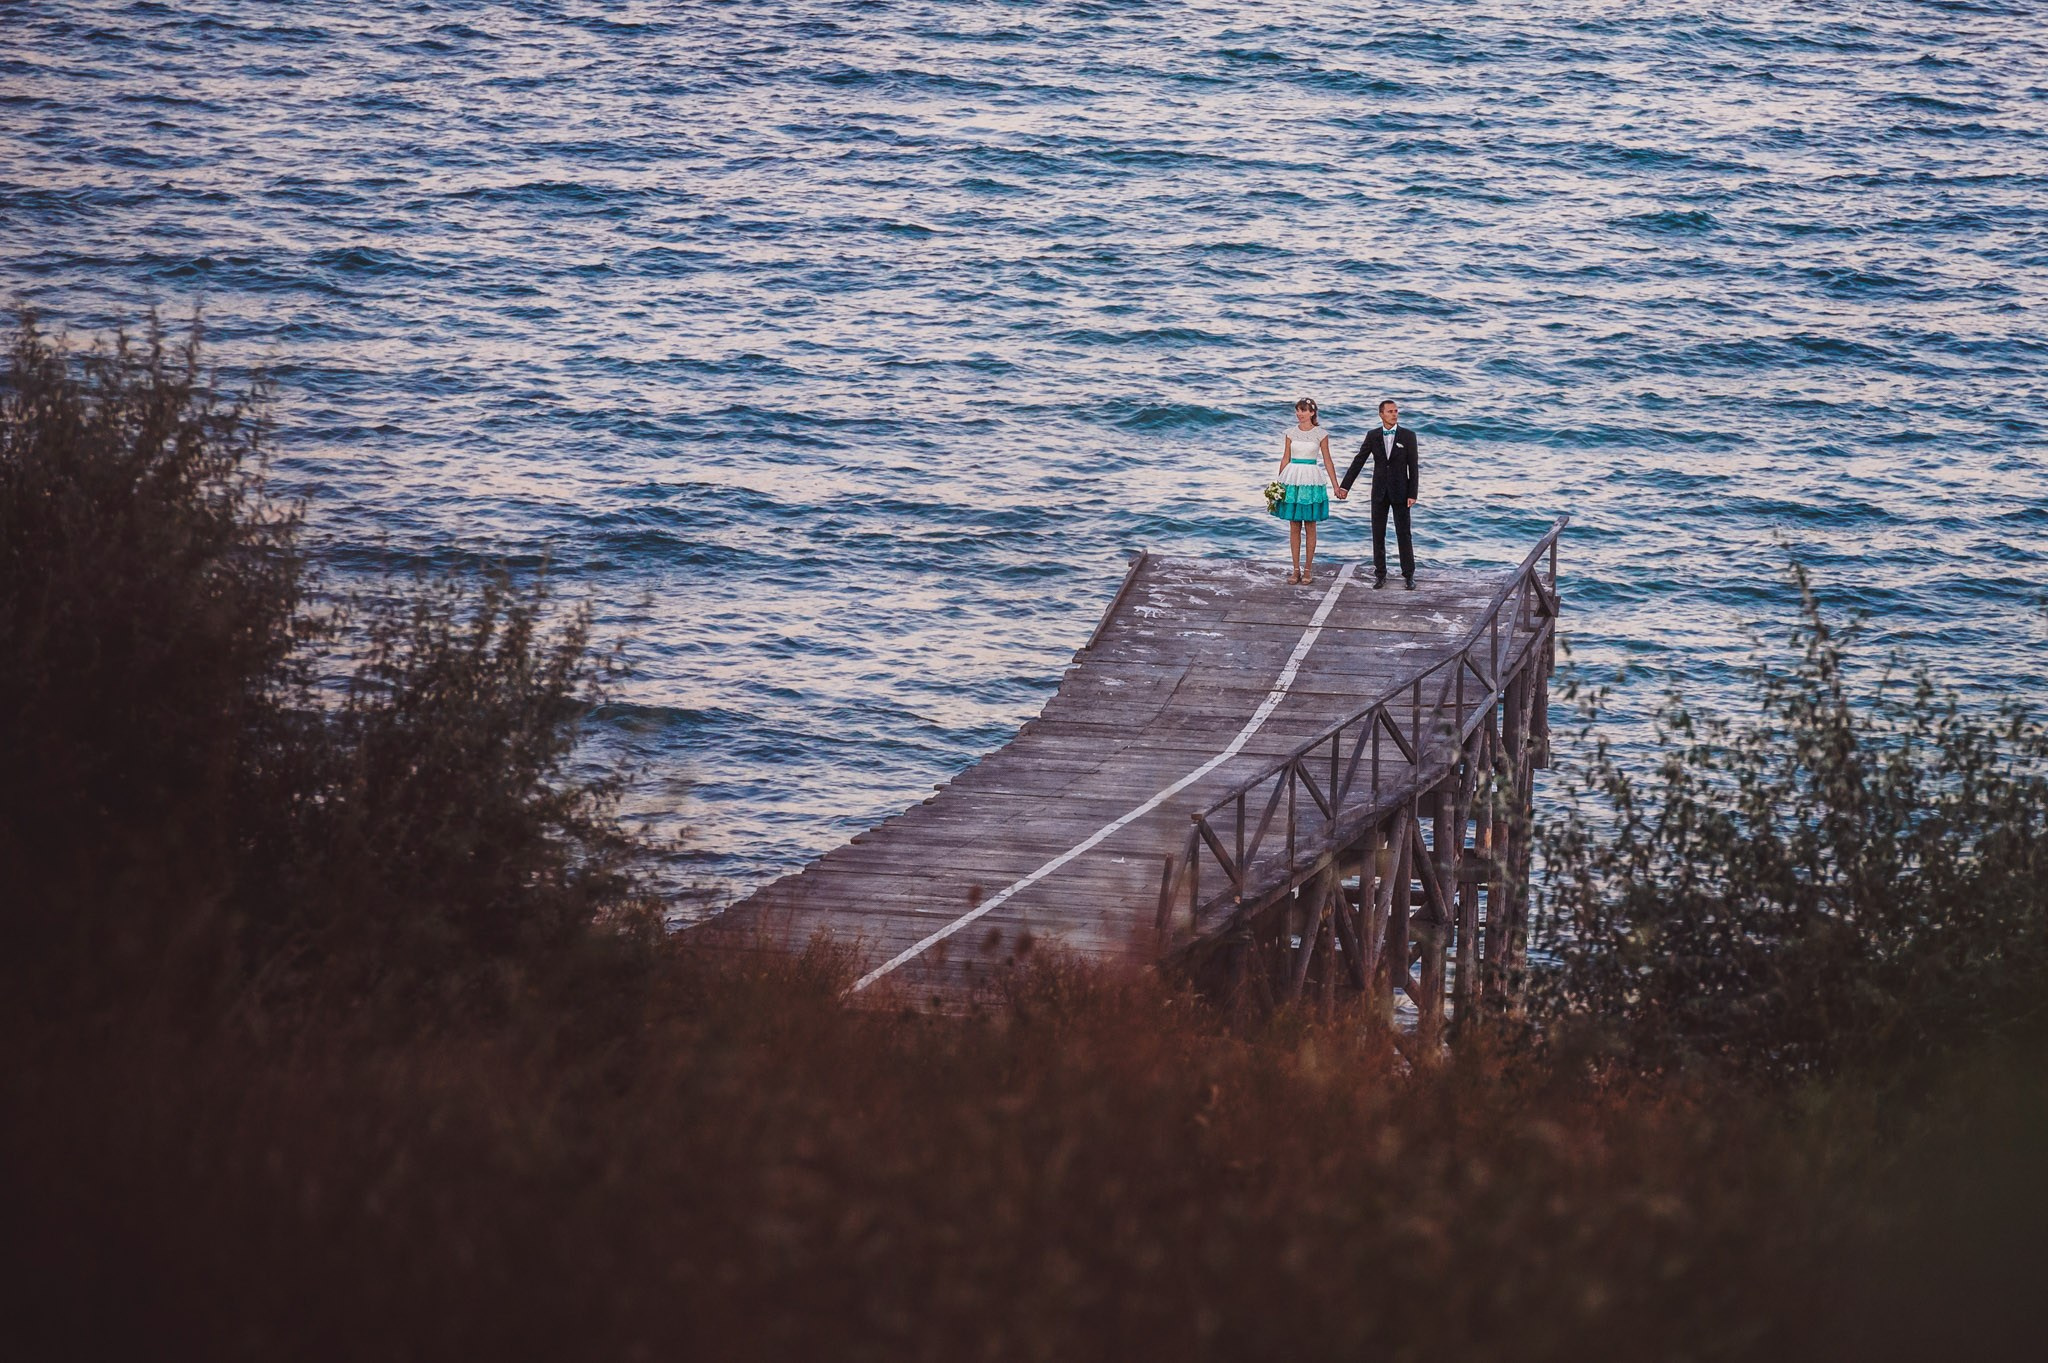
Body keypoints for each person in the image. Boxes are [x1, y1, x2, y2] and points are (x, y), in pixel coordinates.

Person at [1337, 398, 1419, 589]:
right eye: (1390, 411)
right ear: (1381, 414)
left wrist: (1412, 493)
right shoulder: (1373, 435)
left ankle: (1409, 575)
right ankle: (1380, 574)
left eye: (1396, 411)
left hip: (1401, 492)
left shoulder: (1408, 436)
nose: (1394, 414)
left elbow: (1413, 467)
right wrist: (1345, 487)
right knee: (1378, 533)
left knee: (1404, 534)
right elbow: (1359, 461)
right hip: (1379, 492)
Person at [1272, 397, 1341, 584]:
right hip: (1292, 478)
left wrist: (1336, 486)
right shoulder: (1290, 433)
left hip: (1311, 478)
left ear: (1312, 412)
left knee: (1310, 525)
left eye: (1303, 410)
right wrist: (1277, 486)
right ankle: (1295, 570)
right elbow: (1285, 458)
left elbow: (1327, 460)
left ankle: (1308, 569)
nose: (1299, 414)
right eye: (1297, 410)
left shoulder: (1321, 434)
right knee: (1294, 525)